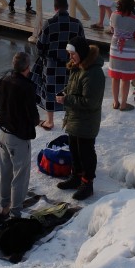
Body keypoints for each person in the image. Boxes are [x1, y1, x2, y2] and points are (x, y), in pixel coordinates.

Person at [0, 52, 41, 218]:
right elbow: (33, 117)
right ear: (27, 67)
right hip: (18, 138)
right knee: (20, 176)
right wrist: (28, 120)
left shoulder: (5, 79)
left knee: (5, 172)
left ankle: (4, 206)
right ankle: (15, 213)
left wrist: (7, 109)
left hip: (3, 134)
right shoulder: (27, 87)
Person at [55, 36, 105, 200]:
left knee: (86, 153)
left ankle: (87, 184)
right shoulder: (78, 67)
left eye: (72, 54)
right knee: (75, 151)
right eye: (69, 54)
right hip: (74, 118)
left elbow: (90, 102)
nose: (70, 57)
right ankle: (76, 177)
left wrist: (67, 99)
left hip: (86, 121)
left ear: (81, 53)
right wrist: (65, 92)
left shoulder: (94, 73)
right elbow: (73, 87)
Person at [32, 0, 85, 130]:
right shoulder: (77, 23)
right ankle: (70, 120)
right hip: (71, 63)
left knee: (50, 91)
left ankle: (50, 121)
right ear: (67, 7)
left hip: (52, 65)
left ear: (55, 8)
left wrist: (44, 56)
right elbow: (83, 45)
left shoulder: (49, 24)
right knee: (71, 90)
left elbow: (40, 46)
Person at [109, 0, 135, 111]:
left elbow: (112, 30)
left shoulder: (113, 15)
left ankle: (115, 103)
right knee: (125, 78)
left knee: (115, 77)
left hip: (115, 50)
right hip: (128, 52)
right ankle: (123, 104)